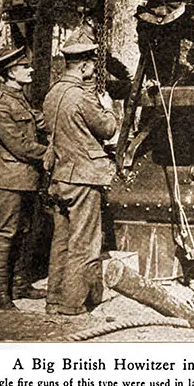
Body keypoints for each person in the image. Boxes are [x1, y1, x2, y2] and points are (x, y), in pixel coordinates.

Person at [43, 30, 118, 316]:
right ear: (85, 66)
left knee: (60, 241)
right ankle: (72, 304)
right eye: (90, 65)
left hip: (60, 177)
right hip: (83, 177)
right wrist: (109, 108)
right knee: (84, 243)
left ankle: (53, 300)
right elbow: (108, 129)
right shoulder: (82, 97)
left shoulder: (53, 95)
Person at [0, 46, 47, 310]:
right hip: (8, 179)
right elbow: (20, 146)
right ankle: (0, 295)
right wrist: (51, 152)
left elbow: (39, 121)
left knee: (26, 231)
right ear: (10, 72)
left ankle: (19, 285)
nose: (30, 69)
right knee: (5, 234)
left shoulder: (20, 99)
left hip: (27, 178)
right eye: (25, 66)